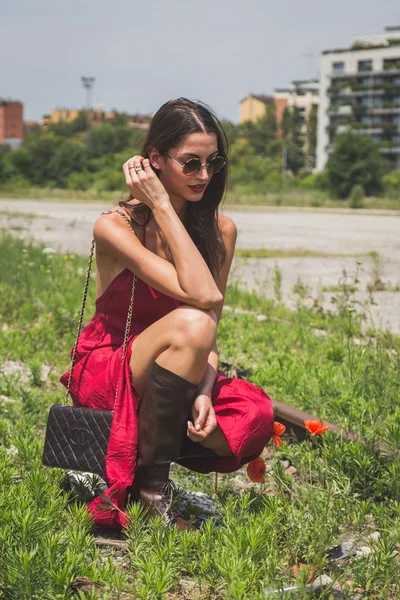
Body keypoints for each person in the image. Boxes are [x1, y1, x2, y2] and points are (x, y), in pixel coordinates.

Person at [61, 98, 274, 529]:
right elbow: (201, 297)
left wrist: (203, 390)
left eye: (212, 163)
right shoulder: (116, 226)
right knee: (191, 320)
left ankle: (148, 463)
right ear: (154, 160)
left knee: (256, 414)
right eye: (190, 163)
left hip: (176, 375)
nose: (204, 175)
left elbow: (209, 327)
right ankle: (150, 494)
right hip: (111, 368)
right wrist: (159, 205)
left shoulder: (221, 230)